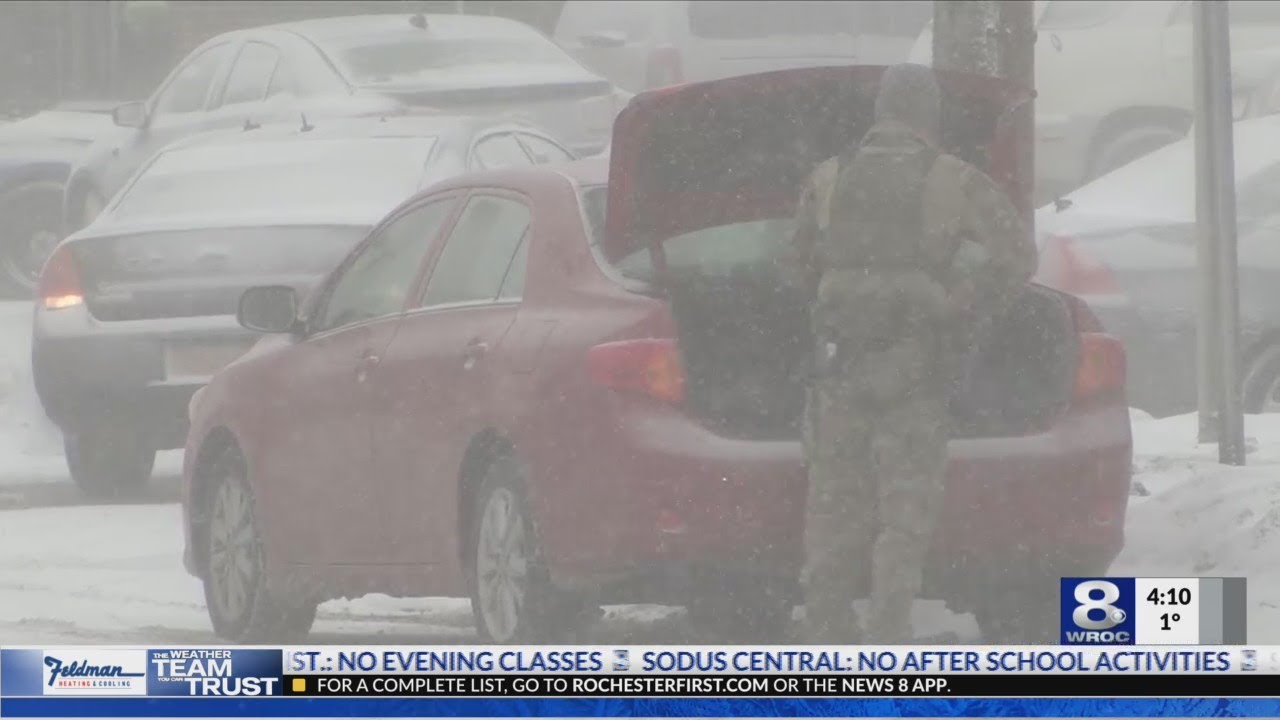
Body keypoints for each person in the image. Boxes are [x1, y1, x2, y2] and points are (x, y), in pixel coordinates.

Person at [781, 63, 1037, 644]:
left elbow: (794, 264)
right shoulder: (954, 179)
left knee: (832, 514)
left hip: (839, 367)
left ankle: (826, 635)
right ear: (931, 113)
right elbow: (1017, 258)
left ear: (880, 111)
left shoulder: (827, 177)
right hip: (916, 370)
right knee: (903, 518)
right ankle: (888, 637)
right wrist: (961, 300)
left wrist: (845, 294)